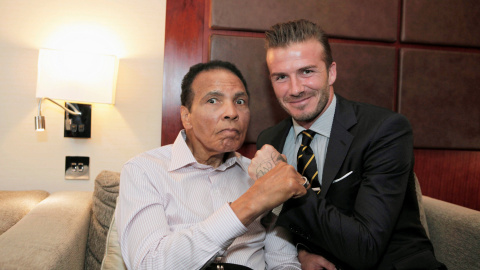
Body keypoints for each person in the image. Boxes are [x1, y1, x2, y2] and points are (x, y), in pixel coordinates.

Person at [253, 19, 445, 270]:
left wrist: (283, 188)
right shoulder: (270, 141)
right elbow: (287, 226)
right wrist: (301, 251)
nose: (295, 89)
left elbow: (366, 248)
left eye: (307, 71)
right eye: (281, 77)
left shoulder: (384, 130)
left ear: (331, 72)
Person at [115, 60, 307, 270]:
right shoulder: (144, 171)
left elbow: (284, 263)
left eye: (240, 101)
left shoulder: (261, 174)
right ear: (186, 117)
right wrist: (252, 201)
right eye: (213, 100)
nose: (232, 112)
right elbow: (148, 264)